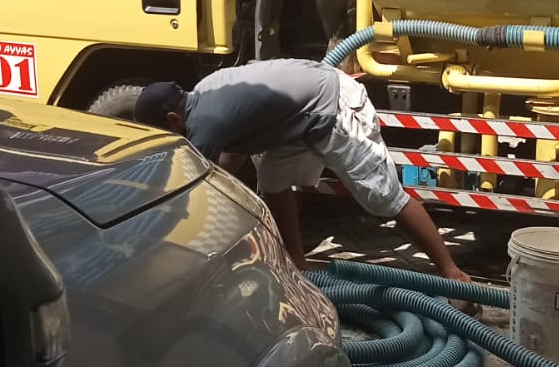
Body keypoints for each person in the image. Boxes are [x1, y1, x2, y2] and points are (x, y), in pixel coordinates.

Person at [133, 59, 473, 288]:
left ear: (173, 120)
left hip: (332, 107)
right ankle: (298, 264)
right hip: (297, 115)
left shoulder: (205, 125)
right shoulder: (204, 92)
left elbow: (195, 195)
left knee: (383, 198)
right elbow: (230, 159)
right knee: (273, 184)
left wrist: (155, 250)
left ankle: (454, 276)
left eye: (163, 132)